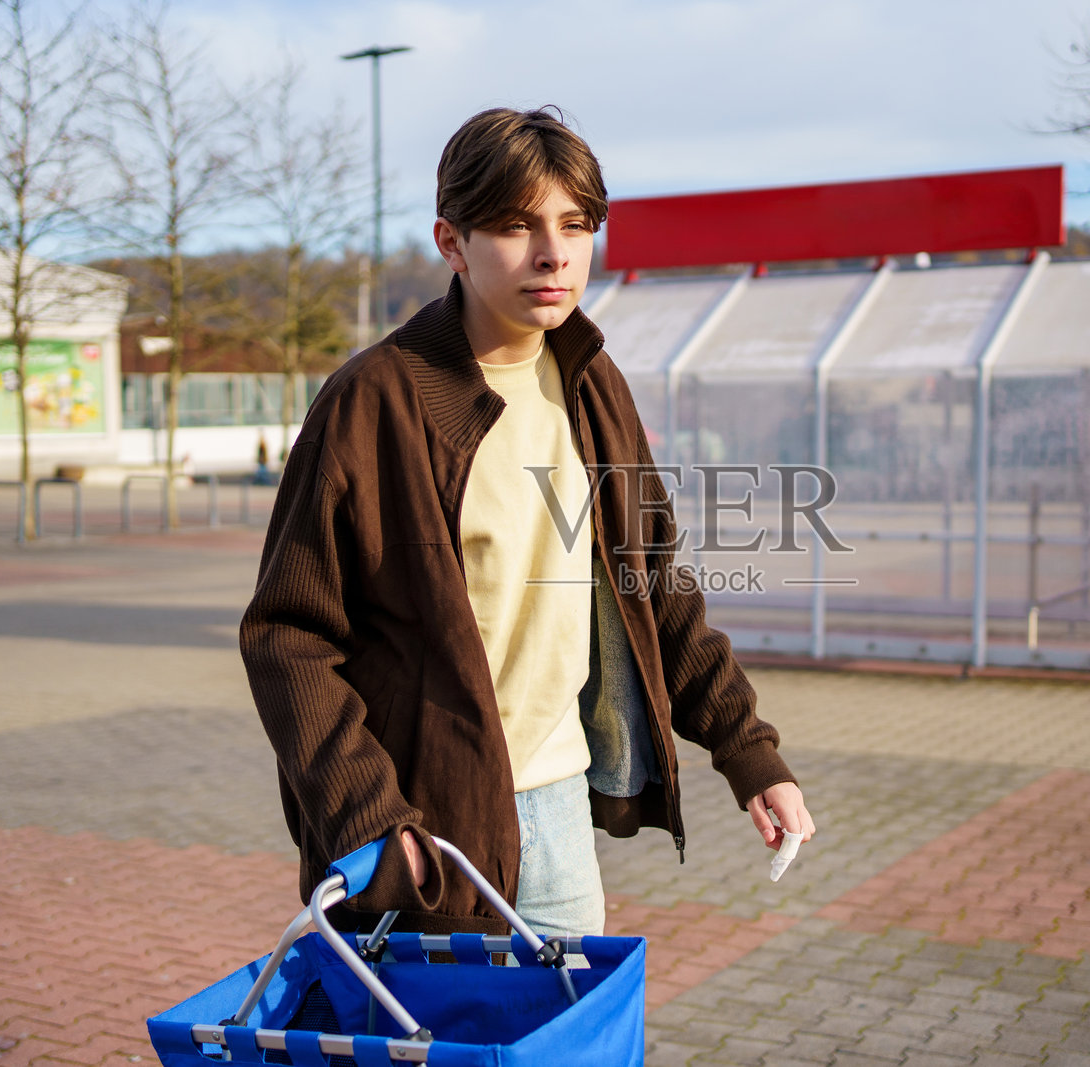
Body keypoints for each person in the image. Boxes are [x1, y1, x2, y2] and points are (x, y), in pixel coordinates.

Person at [239, 106, 814, 941]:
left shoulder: (593, 384)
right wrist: (370, 819)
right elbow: (287, 635)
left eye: (575, 225)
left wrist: (749, 752)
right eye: (516, 226)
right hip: (422, 832)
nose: (553, 253)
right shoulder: (371, 403)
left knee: (569, 1018)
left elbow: (655, 585)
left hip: (558, 804)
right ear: (452, 242)